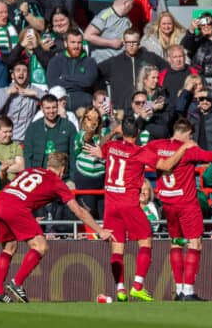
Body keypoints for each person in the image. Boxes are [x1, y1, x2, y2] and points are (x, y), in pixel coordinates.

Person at [84, 116, 196, 302]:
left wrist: (111, 132)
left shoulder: (111, 147)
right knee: (145, 240)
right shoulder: (139, 151)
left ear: (122, 131)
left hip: (110, 204)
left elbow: (101, 149)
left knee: (117, 247)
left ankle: (120, 289)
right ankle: (137, 286)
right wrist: (184, 147)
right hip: (129, 204)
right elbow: (167, 166)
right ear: (137, 134)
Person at [0, 152, 114, 302]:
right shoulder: (56, 182)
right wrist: (100, 231)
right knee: (40, 246)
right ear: (62, 170)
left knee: (9, 247)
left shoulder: (30, 170)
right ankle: (17, 283)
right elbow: (79, 211)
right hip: (16, 207)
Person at [146, 118, 212, 301]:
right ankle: (188, 291)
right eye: (191, 135)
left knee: (176, 243)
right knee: (195, 243)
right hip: (186, 204)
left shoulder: (157, 145)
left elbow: (141, 153)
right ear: (186, 133)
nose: (192, 139)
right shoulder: (189, 149)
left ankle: (178, 290)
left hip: (168, 204)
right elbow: (208, 156)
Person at [98, 28, 167, 110]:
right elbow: (95, 75)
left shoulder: (150, 57)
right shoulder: (114, 62)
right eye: (128, 42)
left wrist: (160, 94)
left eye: (134, 42)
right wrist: (106, 100)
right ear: (124, 43)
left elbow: (168, 72)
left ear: (139, 43)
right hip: (122, 110)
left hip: (146, 107)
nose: (131, 45)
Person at [175, 74, 212, 152]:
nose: (198, 87)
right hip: (195, 153)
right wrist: (186, 91)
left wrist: (208, 94)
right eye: (194, 85)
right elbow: (179, 110)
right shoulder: (187, 105)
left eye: (200, 84)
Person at [23, 94, 77, 177]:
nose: (51, 111)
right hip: (38, 177)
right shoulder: (33, 128)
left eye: (54, 107)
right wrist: (29, 175)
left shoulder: (69, 126)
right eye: (47, 108)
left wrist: (72, 179)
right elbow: (27, 155)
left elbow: (74, 155)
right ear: (42, 108)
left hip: (62, 177)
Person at [0, 60, 45, 142]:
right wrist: (8, 93)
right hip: (8, 138)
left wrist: (34, 93)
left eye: (24, 71)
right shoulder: (4, 90)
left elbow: (51, 99)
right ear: (12, 75)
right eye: (18, 70)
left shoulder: (34, 90)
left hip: (27, 139)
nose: (21, 73)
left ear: (28, 75)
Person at [46, 28, 98, 111]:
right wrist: (79, 82)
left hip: (85, 108)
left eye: (79, 43)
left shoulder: (90, 62)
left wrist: (65, 78)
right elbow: (53, 84)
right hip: (61, 107)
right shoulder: (55, 61)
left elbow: (88, 82)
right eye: (73, 42)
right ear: (66, 43)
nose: (76, 46)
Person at [181, 12, 212, 91]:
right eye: (203, 24)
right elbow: (185, 47)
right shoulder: (195, 39)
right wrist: (191, 29)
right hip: (197, 81)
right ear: (199, 26)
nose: (206, 26)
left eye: (209, 24)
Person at [84, 0, 134, 64]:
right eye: (131, 4)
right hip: (104, 63)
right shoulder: (105, 15)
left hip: (121, 62)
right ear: (125, 3)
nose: (132, 7)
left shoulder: (126, 18)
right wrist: (111, 43)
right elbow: (87, 36)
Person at [0, 115, 24, 180]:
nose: (9, 134)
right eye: (5, 132)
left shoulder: (16, 146)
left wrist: (1, 167)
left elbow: (21, 166)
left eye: (10, 131)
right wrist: (12, 162)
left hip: (11, 185)